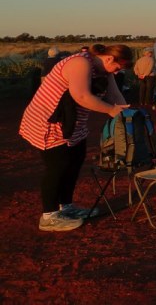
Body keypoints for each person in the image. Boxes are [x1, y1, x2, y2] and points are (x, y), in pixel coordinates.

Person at [19, 44, 132, 231]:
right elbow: (81, 96)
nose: (117, 72)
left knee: (75, 162)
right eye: (118, 68)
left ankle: (67, 207)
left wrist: (128, 114)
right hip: (49, 122)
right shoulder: (80, 63)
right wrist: (112, 111)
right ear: (110, 58)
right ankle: (49, 216)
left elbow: (114, 94)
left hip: (73, 124)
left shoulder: (104, 70)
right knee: (58, 166)